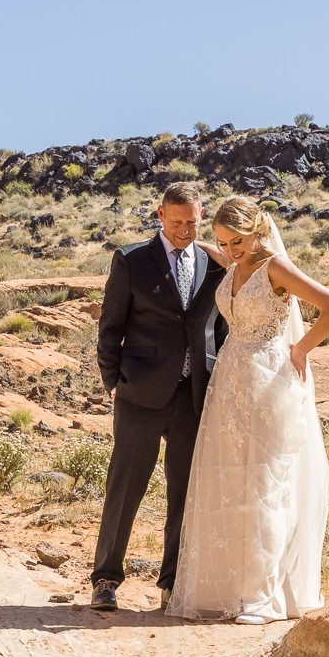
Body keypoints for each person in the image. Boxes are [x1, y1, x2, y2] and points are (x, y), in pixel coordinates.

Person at [167, 195, 329, 624]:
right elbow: (200, 252)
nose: (230, 250)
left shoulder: (275, 268)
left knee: (265, 486)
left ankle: (263, 599)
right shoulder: (233, 264)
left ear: (257, 231)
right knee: (232, 483)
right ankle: (229, 591)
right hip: (229, 383)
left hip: (268, 382)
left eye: (238, 241)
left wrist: (302, 348)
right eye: (223, 242)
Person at [88, 183, 226, 612]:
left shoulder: (213, 263)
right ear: (161, 214)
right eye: (178, 220)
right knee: (124, 489)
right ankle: (105, 580)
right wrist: (116, 382)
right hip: (139, 395)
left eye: (193, 221)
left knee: (185, 494)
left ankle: (172, 585)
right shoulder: (130, 259)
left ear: (201, 215)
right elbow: (110, 326)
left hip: (192, 398)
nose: (185, 229)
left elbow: (217, 329)